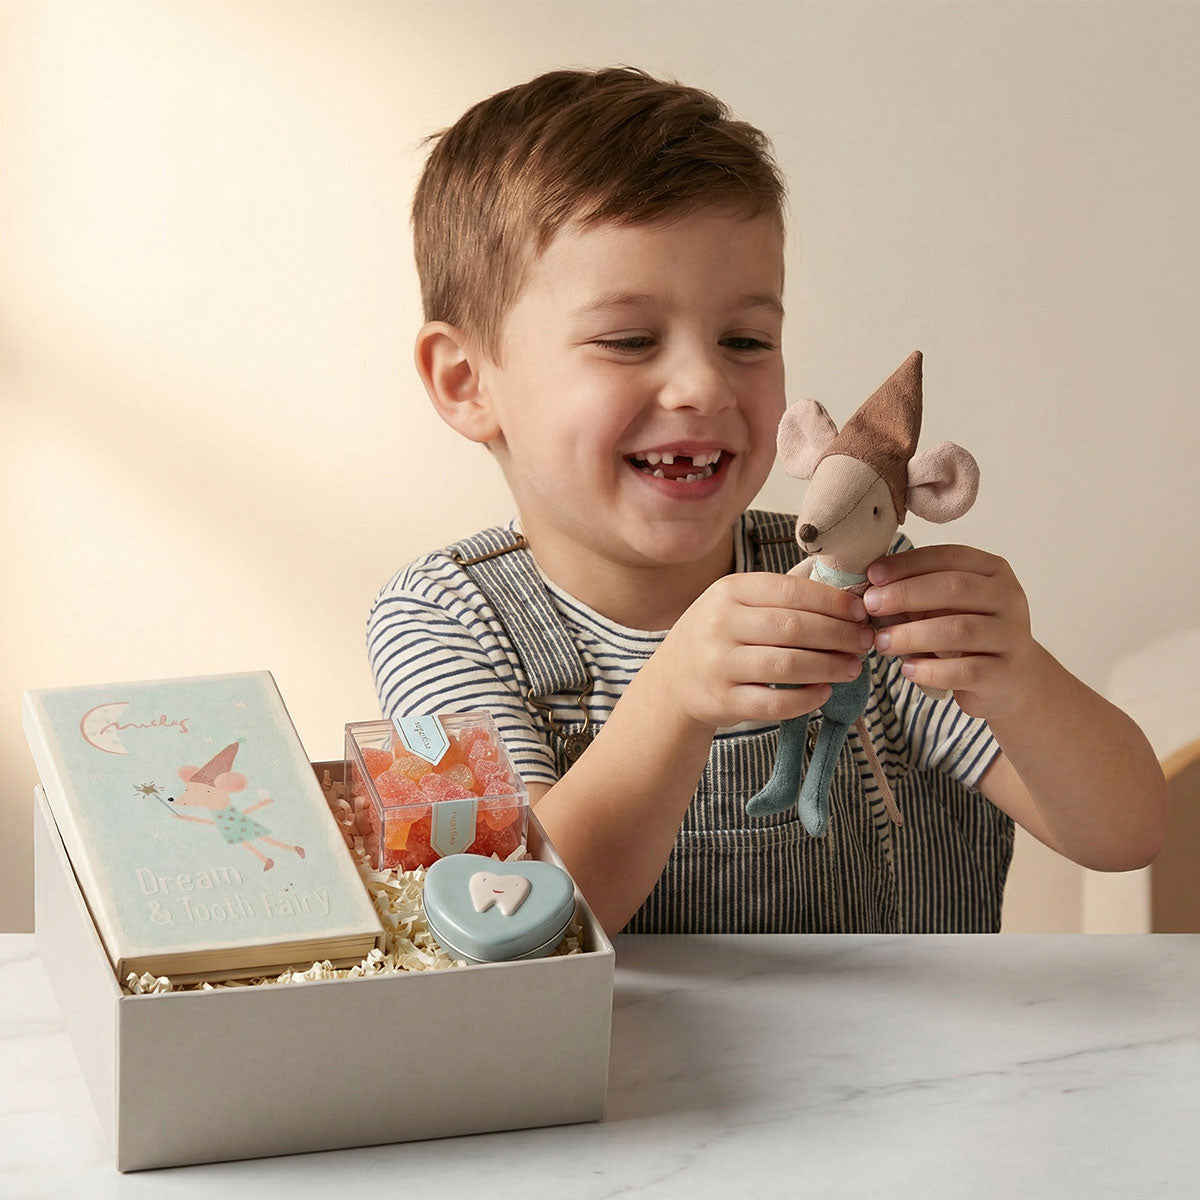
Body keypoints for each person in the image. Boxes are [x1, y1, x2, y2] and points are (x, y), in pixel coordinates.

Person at [367, 67, 1167, 937]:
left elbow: (1128, 834)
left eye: (745, 340)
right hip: (617, 1076)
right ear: (465, 381)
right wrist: (673, 700)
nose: (705, 383)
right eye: (629, 340)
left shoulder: (858, 591)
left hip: (905, 1066)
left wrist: (1021, 682)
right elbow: (497, 923)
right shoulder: (434, 624)